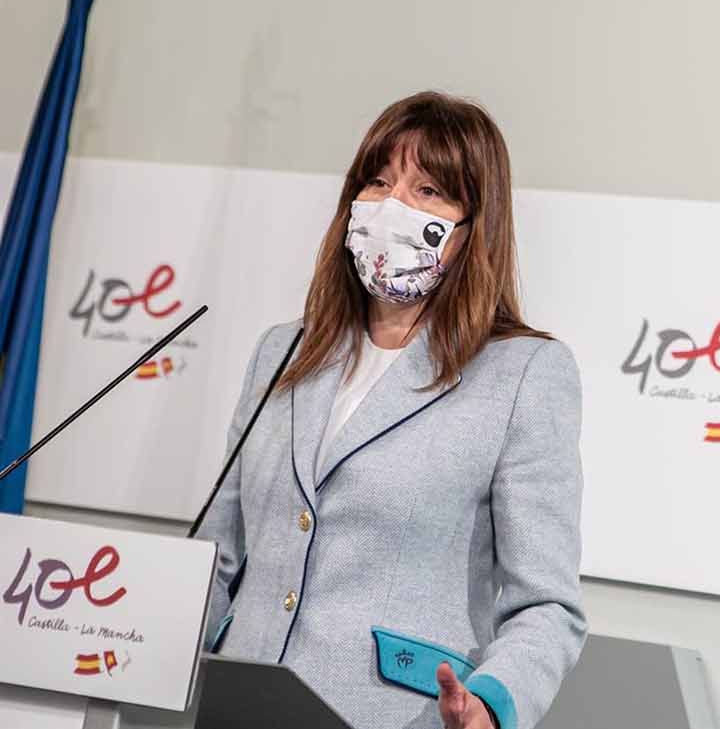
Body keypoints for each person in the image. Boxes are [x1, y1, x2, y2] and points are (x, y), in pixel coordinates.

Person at [196, 91, 585, 729]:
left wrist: (491, 703)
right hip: (233, 708)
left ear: (471, 227)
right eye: (378, 181)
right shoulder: (281, 351)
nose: (392, 205)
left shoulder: (524, 375)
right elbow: (219, 554)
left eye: (428, 190)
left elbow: (546, 607)